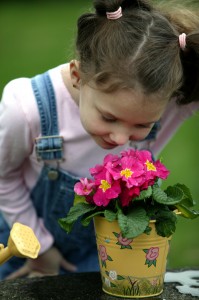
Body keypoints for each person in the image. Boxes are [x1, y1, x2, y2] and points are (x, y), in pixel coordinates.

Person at [0, 0, 199, 280]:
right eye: (108, 117)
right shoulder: (28, 109)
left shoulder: (168, 102)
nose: (120, 138)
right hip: (23, 247)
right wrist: (41, 251)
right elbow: (4, 177)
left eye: (142, 125)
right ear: (77, 76)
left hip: (111, 254)